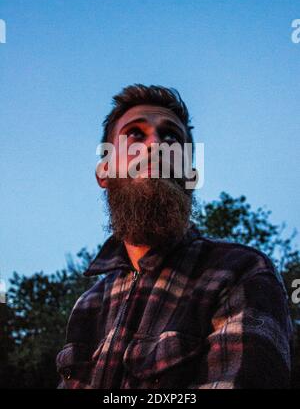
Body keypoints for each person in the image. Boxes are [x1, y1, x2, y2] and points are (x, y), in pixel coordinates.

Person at [56, 84, 293, 389]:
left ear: (191, 176)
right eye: (135, 135)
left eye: (172, 138)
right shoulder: (88, 304)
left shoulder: (241, 273)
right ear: (104, 171)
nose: (155, 145)